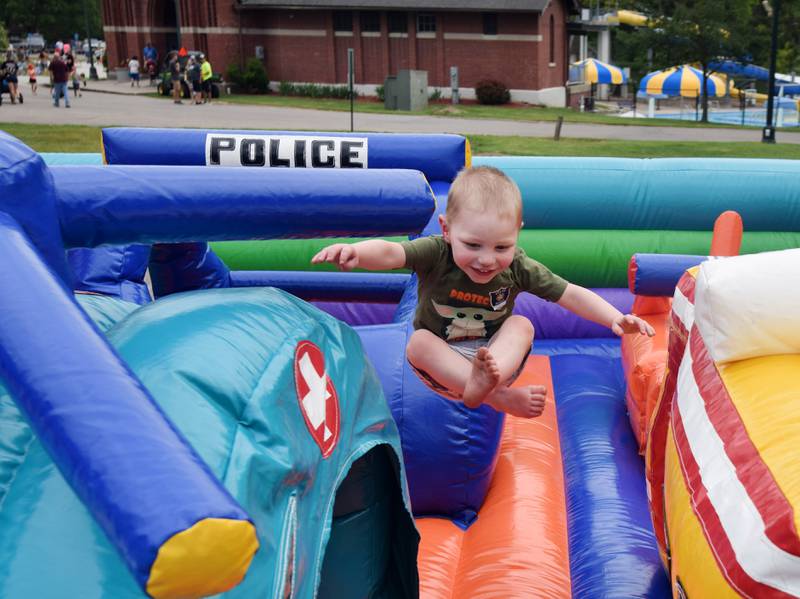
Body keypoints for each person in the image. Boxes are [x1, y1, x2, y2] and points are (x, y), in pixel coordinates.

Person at [311, 166, 655, 418]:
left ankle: (488, 386)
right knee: (418, 342)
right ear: (446, 229)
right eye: (472, 244)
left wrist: (614, 317)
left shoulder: (518, 267)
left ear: (518, 233)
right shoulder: (435, 252)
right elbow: (392, 253)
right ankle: (499, 398)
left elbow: (569, 294)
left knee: (522, 325)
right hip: (441, 365)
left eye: (502, 246)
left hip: (493, 362)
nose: (487, 260)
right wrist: (356, 252)